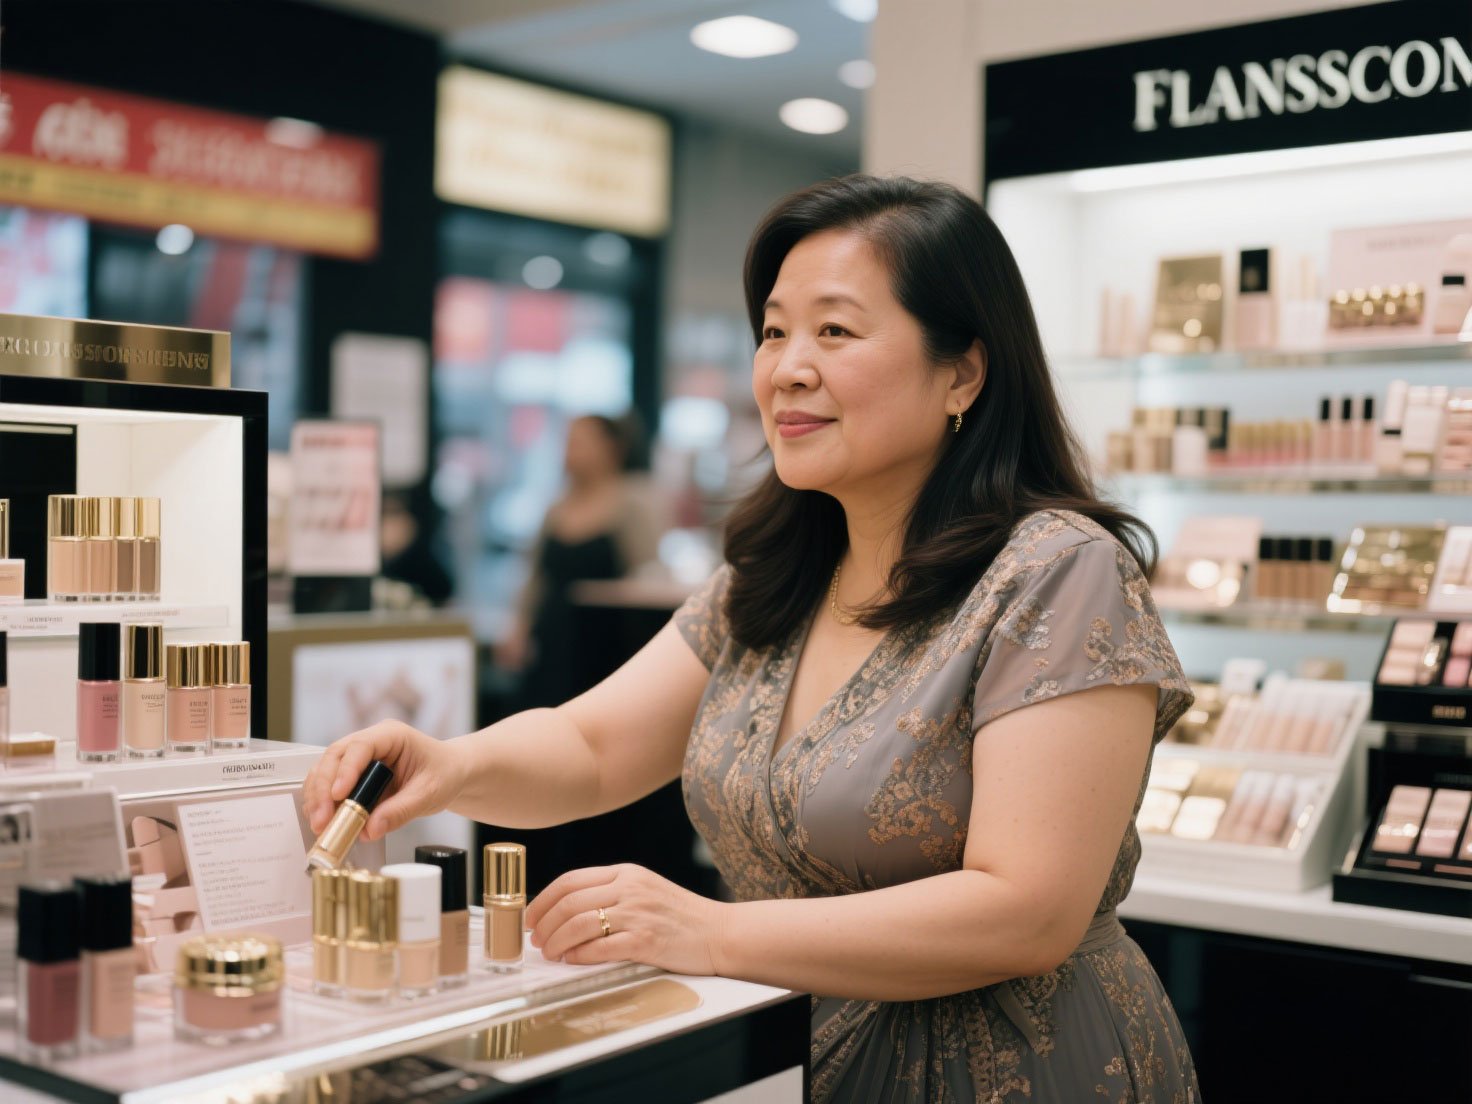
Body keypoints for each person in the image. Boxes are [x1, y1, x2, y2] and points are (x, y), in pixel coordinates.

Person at [305, 174, 1200, 1102]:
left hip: (1018, 1069)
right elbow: (594, 745)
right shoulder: (772, 578)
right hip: (787, 1056)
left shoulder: (1057, 571)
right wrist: (448, 764)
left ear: (962, 372)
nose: (788, 368)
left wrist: (706, 932)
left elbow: (1028, 910)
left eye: (836, 331)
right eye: (774, 331)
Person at [495, 412, 662, 708]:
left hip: (607, 642)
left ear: (611, 449)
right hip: (553, 637)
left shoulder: (630, 505)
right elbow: (536, 577)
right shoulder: (556, 509)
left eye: (581, 442)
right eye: (568, 442)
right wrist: (519, 627)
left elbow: (648, 576)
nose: (570, 451)